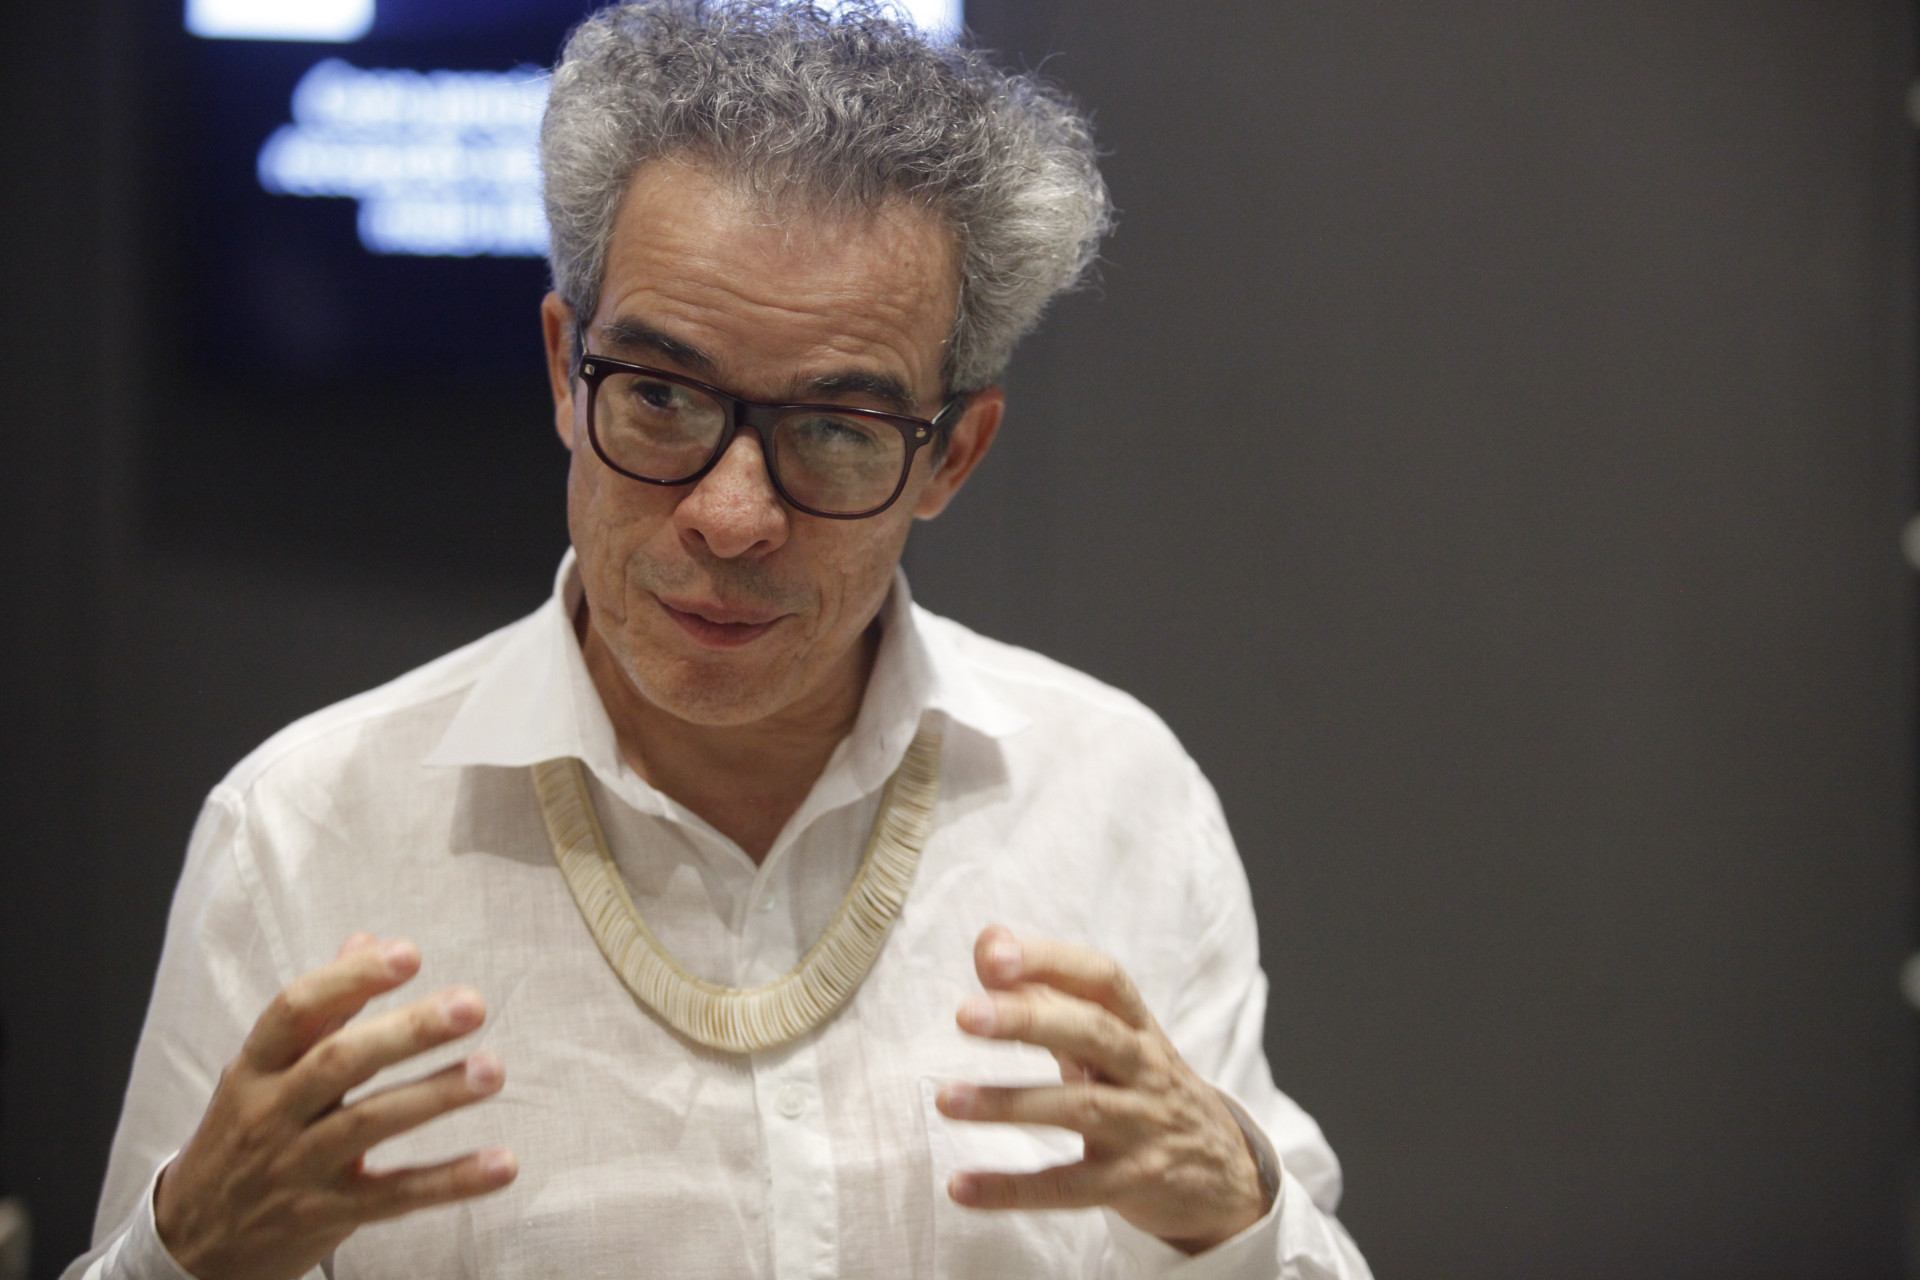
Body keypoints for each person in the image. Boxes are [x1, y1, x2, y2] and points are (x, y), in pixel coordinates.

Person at [66, 3, 1371, 1277]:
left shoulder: (1114, 802)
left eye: (837, 431)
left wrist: (1235, 1210)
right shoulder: (305, 835)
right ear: (563, 371)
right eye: (663, 397)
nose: (732, 516)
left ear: (952, 457)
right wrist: (185, 1258)